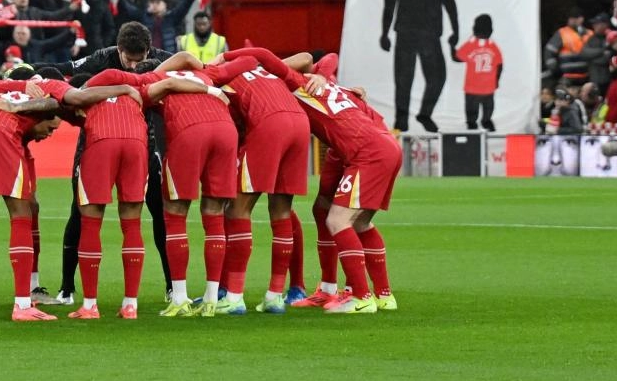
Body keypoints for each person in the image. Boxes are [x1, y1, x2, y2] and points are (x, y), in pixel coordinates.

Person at [0, 70, 139, 320]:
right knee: (21, 213)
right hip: (0, 129)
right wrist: (18, 108)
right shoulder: (51, 86)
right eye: (50, 127)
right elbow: (58, 102)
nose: (49, 134)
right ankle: (23, 305)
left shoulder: (4, 85)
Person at [226, 47, 400, 314]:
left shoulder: (298, 84)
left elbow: (266, 55)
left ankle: (361, 297)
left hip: (366, 153)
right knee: (358, 220)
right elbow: (328, 58)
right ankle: (383, 295)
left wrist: (228, 59)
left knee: (337, 220)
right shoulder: (332, 86)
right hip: (382, 145)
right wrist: (325, 74)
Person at [31, 22, 175, 304]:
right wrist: (31, 76)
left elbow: (190, 69)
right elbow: (61, 68)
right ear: (119, 49)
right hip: (95, 138)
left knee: (159, 210)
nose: (134, 65)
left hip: (143, 140)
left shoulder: (160, 58)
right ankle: (67, 287)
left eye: (139, 59)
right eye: (129, 59)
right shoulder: (101, 59)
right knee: (80, 211)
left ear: (148, 51)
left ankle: (173, 286)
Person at [66, 70, 224, 320]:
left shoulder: (82, 97)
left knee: (90, 221)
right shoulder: (139, 89)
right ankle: (130, 305)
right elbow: (173, 77)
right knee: (131, 222)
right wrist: (209, 88)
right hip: (137, 145)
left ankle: (89, 305)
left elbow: (64, 99)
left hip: (102, 141)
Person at [165, 51, 312, 315]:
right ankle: (275, 296)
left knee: (236, 209)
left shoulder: (218, 78)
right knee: (281, 211)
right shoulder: (268, 71)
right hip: (300, 123)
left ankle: (233, 296)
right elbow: (305, 58)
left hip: (269, 124)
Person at [380, 0, 459, 133]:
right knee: (422, 77)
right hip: (422, 32)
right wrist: (455, 31)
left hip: (415, 32)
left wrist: (385, 32)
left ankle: (409, 118)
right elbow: (450, 4)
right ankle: (412, 117)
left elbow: (390, 1)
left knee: (410, 78)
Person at [451, 14, 503, 132]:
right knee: (488, 107)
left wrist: (452, 47)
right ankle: (485, 121)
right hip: (488, 87)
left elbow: (457, 57)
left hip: (472, 87)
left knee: (471, 108)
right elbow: (500, 64)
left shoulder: (471, 45)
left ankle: (472, 123)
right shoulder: (493, 46)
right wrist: (496, 80)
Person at [119, 0, 195, 54]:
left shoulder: (171, 17)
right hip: (149, 56)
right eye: (152, 2)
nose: (154, 5)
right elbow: (128, 9)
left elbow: (185, 5)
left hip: (167, 56)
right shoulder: (143, 16)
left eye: (158, 2)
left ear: (165, 5)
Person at [543, 8, 592, 87]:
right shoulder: (561, 33)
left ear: (581, 19)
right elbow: (549, 52)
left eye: (575, 18)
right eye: (570, 18)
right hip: (567, 78)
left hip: (586, 78)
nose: (571, 20)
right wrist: (555, 70)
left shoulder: (589, 34)